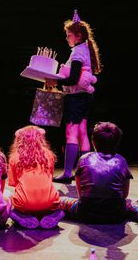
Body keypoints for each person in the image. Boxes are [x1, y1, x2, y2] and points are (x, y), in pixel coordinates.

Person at [46, 10, 102, 184]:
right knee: (82, 133)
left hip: (76, 98)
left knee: (71, 132)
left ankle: (68, 173)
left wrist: (55, 79)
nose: (67, 38)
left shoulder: (78, 52)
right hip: (84, 98)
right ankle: (84, 172)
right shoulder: (84, 49)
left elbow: (73, 78)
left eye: (69, 35)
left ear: (77, 36)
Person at [60, 122, 132, 223]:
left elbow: (81, 194)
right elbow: (124, 194)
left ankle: (51, 216)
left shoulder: (84, 159)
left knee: (62, 201)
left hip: (86, 213)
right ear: (117, 142)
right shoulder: (121, 161)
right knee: (130, 203)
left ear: (93, 142)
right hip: (116, 215)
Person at [7, 125, 63, 229]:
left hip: (25, 204)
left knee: (9, 203)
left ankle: (22, 216)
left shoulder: (15, 157)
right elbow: (49, 179)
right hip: (49, 203)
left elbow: (14, 184)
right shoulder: (48, 155)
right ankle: (53, 215)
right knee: (58, 204)